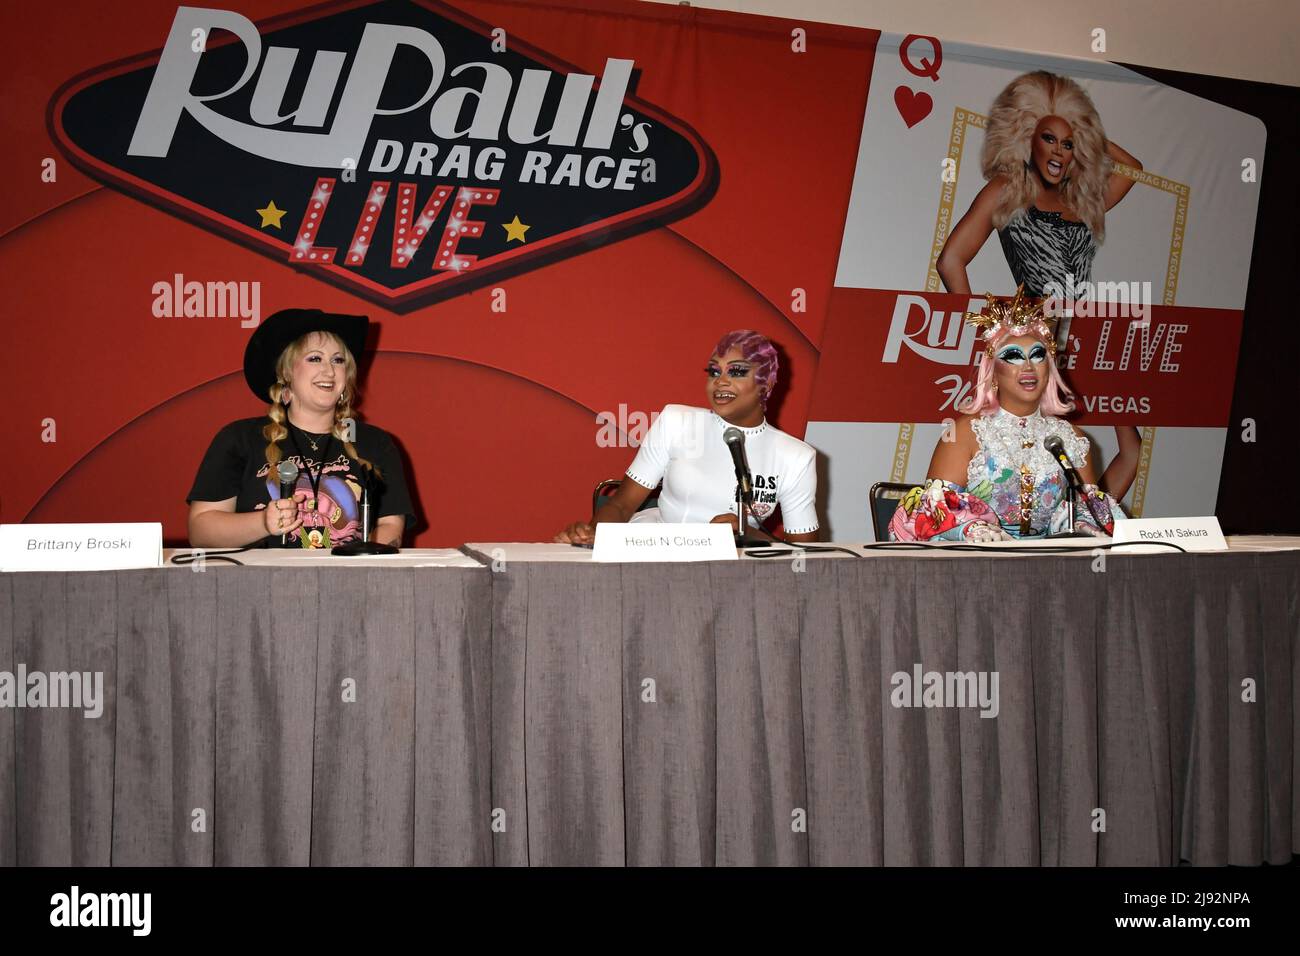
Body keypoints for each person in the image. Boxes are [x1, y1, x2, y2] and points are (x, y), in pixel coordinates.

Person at [936, 70, 1143, 500]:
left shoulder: (1082, 199)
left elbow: (1130, 170)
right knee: (1012, 448)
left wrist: (1086, 132)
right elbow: (951, 260)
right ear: (1028, 139)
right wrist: (989, 333)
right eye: (1049, 138)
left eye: (1069, 144)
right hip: (1039, 339)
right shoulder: (1007, 190)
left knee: (1125, 444)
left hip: (1086, 336)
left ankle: (1088, 525)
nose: (1060, 151)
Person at [889, 288, 1121, 541]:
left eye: (1038, 355)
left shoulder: (1070, 438)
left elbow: (1089, 509)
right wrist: (971, 528)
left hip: (1052, 565)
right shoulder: (965, 433)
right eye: (1013, 356)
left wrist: (1084, 525)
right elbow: (933, 511)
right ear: (993, 371)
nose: (1029, 367)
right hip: (978, 567)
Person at [554, 330, 820, 545]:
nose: (721, 381)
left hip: (736, 573)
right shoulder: (676, 422)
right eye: (714, 372)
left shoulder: (795, 457)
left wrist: (746, 534)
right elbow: (622, 505)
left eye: (737, 372)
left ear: (767, 383)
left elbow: (804, 552)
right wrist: (593, 533)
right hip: (655, 552)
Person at [187, 308, 414, 549]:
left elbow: (390, 526)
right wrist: (263, 522)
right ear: (286, 372)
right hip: (256, 584)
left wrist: (364, 561)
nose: (329, 370)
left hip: (350, 583)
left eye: (338, 360)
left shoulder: (375, 443)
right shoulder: (239, 439)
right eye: (315, 358)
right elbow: (201, 531)